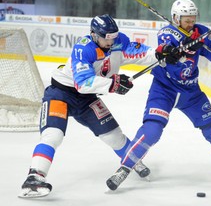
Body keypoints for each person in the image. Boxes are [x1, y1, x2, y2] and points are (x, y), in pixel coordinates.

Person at [106, 0, 211, 191]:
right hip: (164, 89)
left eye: (193, 19)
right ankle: (124, 168)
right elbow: (165, 48)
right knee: (152, 129)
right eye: (186, 20)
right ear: (175, 18)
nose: (191, 23)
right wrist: (174, 51)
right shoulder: (167, 33)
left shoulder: (201, 33)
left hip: (190, 92)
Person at [19, 14, 158, 198]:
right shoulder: (84, 48)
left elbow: (139, 53)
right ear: (94, 34)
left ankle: (132, 162)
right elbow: (82, 83)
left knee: (114, 136)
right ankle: (34, 178)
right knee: (53, 135)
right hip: (62, 94)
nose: (111, 42)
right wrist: (114, 84)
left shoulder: (118, 41)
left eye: (114, 37)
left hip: (87, 99)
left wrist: (161, 53)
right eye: (106, 38)